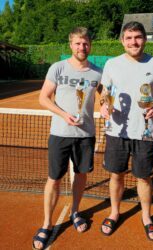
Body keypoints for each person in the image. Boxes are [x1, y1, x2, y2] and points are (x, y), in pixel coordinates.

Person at [32, 27, 102, 250]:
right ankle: (47, 224)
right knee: (54, 178)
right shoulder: (58, 68)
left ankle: (75, 212)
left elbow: (106, 98)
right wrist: (64, 115)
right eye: (78, 43)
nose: (82, 47)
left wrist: (107, 105)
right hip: (60, 134)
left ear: (90, 45)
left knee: (81, 175)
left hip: (86, 135)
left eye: (86, 43)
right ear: (71, 45)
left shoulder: (97, 73)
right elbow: (43, 98)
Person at [100, 21, 153, 241]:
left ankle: (147, 217)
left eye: (137, 37)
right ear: (122, 41)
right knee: (116, 175)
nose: (133, 42)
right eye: (129, 38)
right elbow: (105, 92)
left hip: (145, 133)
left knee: (144, 177)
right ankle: (114, 212)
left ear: (145, 39)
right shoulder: (111, 64)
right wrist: (103, 103)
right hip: (116, 131)